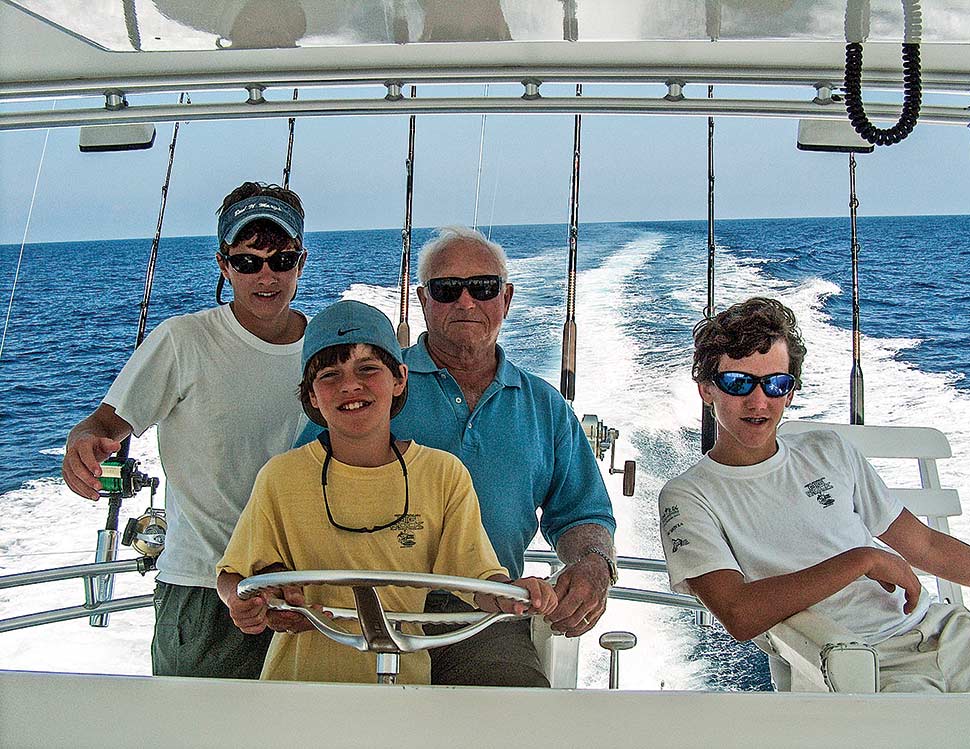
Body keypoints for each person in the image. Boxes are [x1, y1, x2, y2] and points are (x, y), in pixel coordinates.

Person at [301, 226, 617, 687]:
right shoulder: (370, 388)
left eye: (483, 288)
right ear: (423, 301)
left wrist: (593, 563)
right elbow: (302, 488)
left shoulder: (545, 407)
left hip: (487, 612)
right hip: (366, 609)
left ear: (505, 299)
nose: (466, 303)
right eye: (447, 290)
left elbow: (581, 512)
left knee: (520, 719)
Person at [659, 296, 970, 692]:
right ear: (706, 390)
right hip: (855, 666)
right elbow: (740, 613)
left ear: (789, 393)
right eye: (738, 383)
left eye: (775, 384)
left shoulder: (829, 450)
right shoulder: (688, 496)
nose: (758, 401)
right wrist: (861, 560)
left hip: (946, 632)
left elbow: (924, 545)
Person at [216, 300, 557, 683]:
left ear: (399, 380)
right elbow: (233, 576)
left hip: (404, 686)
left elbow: (478, 581)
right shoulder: (281, 477)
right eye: (329, 375)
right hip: (298, 689)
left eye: (368, 369)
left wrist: (515, 593)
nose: (350, 386)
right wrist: (243, 603)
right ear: (311, 395)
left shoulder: (443, 475)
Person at [61, 181, 310, 678]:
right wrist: (82, 444)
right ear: (223, 264)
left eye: (281, 260)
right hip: (200, 591)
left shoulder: (328, 351)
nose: (266, 275)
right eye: (247, 261)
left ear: (300, 262)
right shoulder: (182, 340)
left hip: (306, 589)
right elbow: (106, 424)